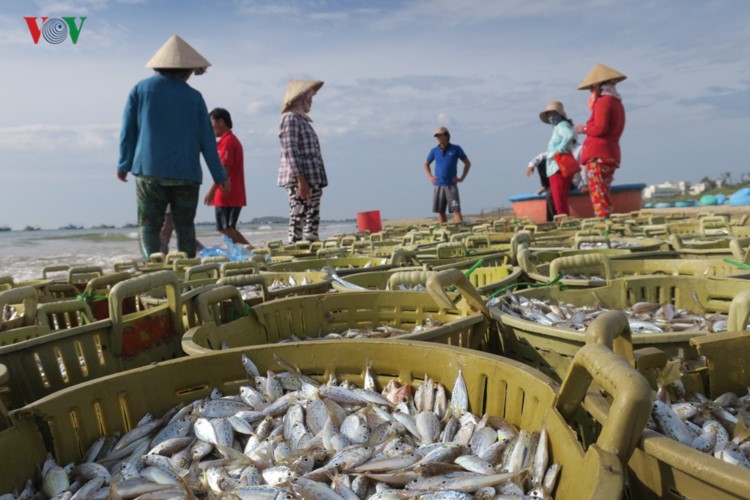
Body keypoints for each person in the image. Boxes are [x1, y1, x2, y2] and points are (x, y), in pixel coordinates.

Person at [117, 34, 230, 259]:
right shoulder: (195, 97)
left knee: (149, 225)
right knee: (185, 226)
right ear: (185, 70)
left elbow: (128, 131)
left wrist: (124, 164)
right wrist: (220, 176)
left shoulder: (140, 89)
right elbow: (207, 141)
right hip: (186, 173)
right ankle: (186, 271)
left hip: (149, 170)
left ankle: (154, 268)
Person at [574, 63, 627, 219]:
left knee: (599, 194)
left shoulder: (603, 102)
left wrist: (583, 129)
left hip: (599, 155)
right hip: (610, 152)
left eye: (591, 88)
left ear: (598, 86)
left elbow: (600, 128)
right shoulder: (617, 102)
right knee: (602, 192)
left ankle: (604, 229)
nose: (591, 92)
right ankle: (605, 224)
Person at [277, 79, 327, 244]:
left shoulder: (303, 120)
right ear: (300, 99)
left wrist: (318, 183)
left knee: (312, 216)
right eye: (309, 99)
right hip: (298, 178)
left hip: (311, 179)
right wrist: (301, 180)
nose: (311, 102)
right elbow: (291, 150)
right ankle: (295, 247)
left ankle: (311, 247)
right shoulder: (290, 118)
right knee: (298, 213)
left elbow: (314, 153)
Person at [203, 107, 252, 247]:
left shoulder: (228, 141)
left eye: (211, 123)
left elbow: (224, 169)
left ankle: (250, 254)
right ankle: (252, 253)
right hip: (230, 191)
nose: (210, 127)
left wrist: (212, 190)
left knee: (224, 228)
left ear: (220, 122)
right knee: (228, 228)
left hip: (227, 192)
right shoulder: (225, 141)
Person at [424, 126, 471, 223]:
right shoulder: (434, 150)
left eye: (440, 136)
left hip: (451, 185)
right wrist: (430, 177)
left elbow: (467, 163)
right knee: (441, 211)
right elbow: (426, 164)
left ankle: (459, 230)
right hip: (438, 185)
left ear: (446, 136)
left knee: (456, 210)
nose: (438, 138)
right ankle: (444, 232)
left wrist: (461, 178)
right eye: (436, 136)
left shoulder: (456, 149)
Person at [540, 101, 578, 216]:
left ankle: (562, 222)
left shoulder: (561, 126)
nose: (551, 117)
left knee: (558, 201)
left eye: (553, 113)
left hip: (557, 168)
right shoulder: (558, 128)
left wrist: (559, 150)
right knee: (560, 199)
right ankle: (564, 221)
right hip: (558, 167)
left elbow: (569, 135)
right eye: (549, 114)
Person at [525, 153, 555, 222]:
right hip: (552, 182)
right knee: (541, 163)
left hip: (566, 181)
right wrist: (531, 166)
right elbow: (537, 159)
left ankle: (553, 220)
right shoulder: (550, 153)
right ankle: (547, 186)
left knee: (550, 195)